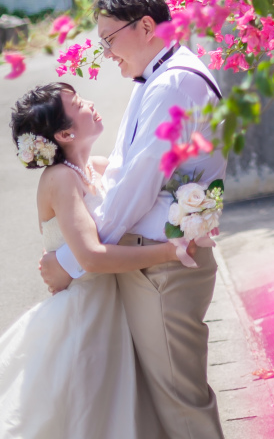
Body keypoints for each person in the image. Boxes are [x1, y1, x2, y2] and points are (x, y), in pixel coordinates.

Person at [38, 0, 226, 439]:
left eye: (108, 40)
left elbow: (137, 186)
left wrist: (72, 261)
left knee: (182, 406)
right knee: (165, 403)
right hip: (155, 260)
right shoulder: (163, 76)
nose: (105, 53)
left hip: (162, 265)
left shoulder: (175, 81)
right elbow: (127, 169)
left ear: (146, 26)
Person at [0, 81, 182, 437]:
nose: (90, 104)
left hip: (113, 305)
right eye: (78, 103)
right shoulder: (59, 179)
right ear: (66, 132)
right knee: (88, 414)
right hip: (86, 315)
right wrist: (167, 252)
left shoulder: (93, 168)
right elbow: (93, 258)